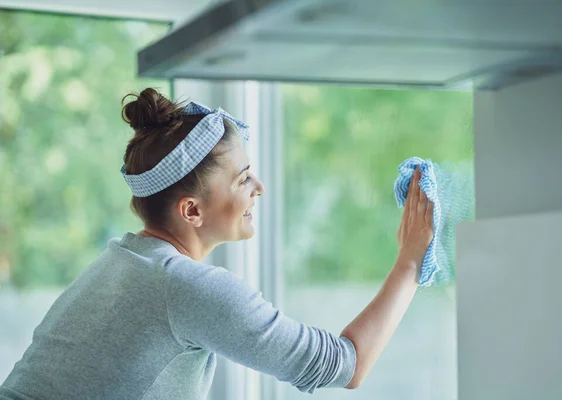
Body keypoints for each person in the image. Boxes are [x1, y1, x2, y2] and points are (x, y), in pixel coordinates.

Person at [0, 88, 434, 400]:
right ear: (191, 211)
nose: (260, 187)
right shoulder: (188, 287)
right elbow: (345, 366)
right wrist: (410, 261)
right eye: (244, 179)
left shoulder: (118, 262)